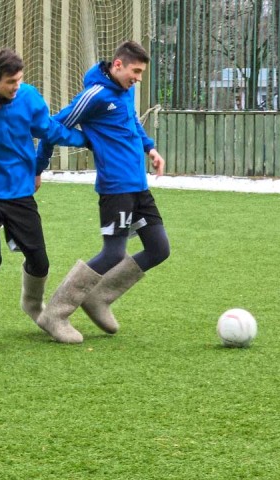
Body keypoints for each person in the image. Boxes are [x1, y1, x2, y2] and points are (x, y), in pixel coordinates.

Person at [0, 48, 89, 353]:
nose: (17, 86)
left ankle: (37, 308)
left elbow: (49, 129)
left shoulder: (28, 98)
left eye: (20, 80)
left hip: (19, 189)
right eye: (11, 81)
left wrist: (86, 140)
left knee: (39, 260)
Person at [35, 40, 170, 343]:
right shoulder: (94, 96)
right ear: (118, 64)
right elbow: (52, 127)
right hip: (115, 188)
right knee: (113, 252)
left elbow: (133, 121)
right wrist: (38, 167)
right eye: (135, 71)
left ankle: (99, 298)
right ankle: (55, 313)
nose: (138, 78)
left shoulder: (126, 90)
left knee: (159, 248)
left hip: (138, 185)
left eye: (141, 73)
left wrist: (150, 148)